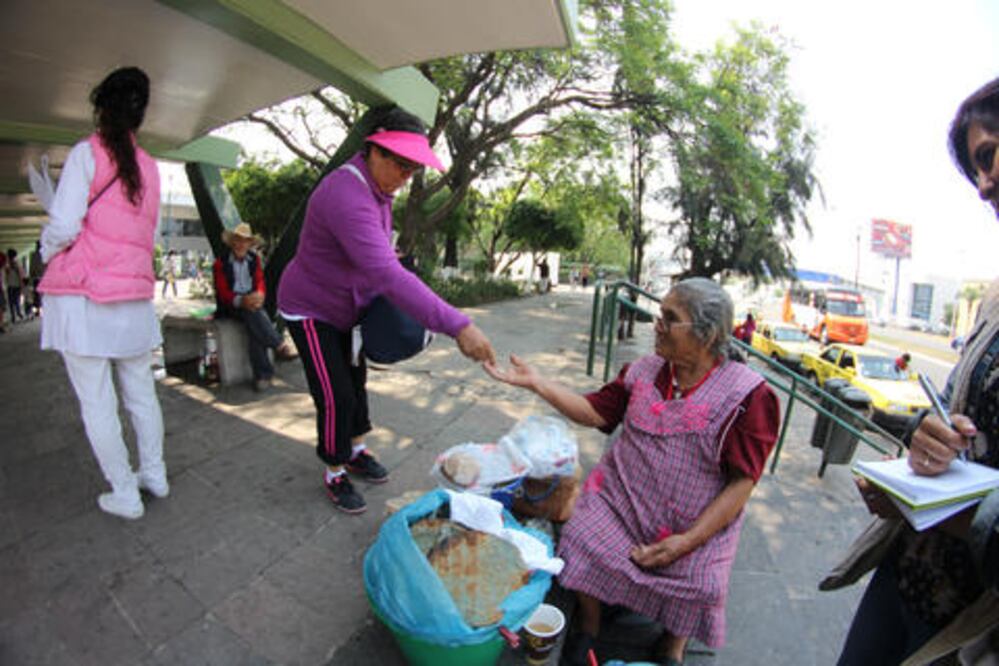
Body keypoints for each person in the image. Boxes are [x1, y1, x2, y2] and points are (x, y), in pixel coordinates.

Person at [485, 277, 780, 665]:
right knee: (580, 537)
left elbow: (743, 482)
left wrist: (688, 540)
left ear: (706, 335)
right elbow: (594, 411)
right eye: (659, 314)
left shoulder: (748, 397)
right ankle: (589, 625)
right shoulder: (645, 371)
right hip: (622, 504)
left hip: (694, 524)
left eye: (670, 318)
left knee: (703, 582)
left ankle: (672, 646)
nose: (657, 325)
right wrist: (538, 383)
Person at [823, 77, 999, 665]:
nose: (984, 184)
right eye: (977, 165)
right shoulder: (995, 303)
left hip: (971, 627)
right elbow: (948, 409)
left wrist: (955, 511)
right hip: (907, 576)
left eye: (991, 154)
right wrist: (924, 448)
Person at [277, 107, 496, 515]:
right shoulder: (346, 193)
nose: (404, 177)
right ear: (373, 149)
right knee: (335, 392)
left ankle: (356, 449)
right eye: (399, 164)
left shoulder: (380, 193)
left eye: (412, 170)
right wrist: (459, 325)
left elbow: (375, 256)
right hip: (310, 308)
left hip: (348, 307)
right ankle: (334, 468)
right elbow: (386, 275)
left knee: (356, 382)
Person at [37, 66, 168, 520]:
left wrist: (45, 247)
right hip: (133, 302)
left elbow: (64, 225)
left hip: (87, 299)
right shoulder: (151, 168)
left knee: (98, 401)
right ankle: (155, 474)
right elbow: (144, 236)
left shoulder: (85, 155)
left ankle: (125, 494)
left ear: (100, 108)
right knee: (141, 393)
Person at [212, 222, 296, 391]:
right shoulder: (220, 264)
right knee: (253, 313)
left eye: (245, 241)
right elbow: (223, 293)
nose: (240, 244)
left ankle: (263, 376)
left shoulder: (254, 260)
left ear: (250, 244)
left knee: (253, 321)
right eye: (237, 240)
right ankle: (278, 345)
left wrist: (259, 295)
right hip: (231, 306)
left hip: (250, 304)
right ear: (232, 242)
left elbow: (259, 282)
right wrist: (241, 301)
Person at [5, 248, 25, 323]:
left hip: (12, 285)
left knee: (12, 302)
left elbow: (19, 275)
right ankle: (17, 314)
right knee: (15, 301)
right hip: (15, 285)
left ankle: (15, 315)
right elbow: (21, 275)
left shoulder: (12, 264)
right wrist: (22, 284)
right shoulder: (15, 264)